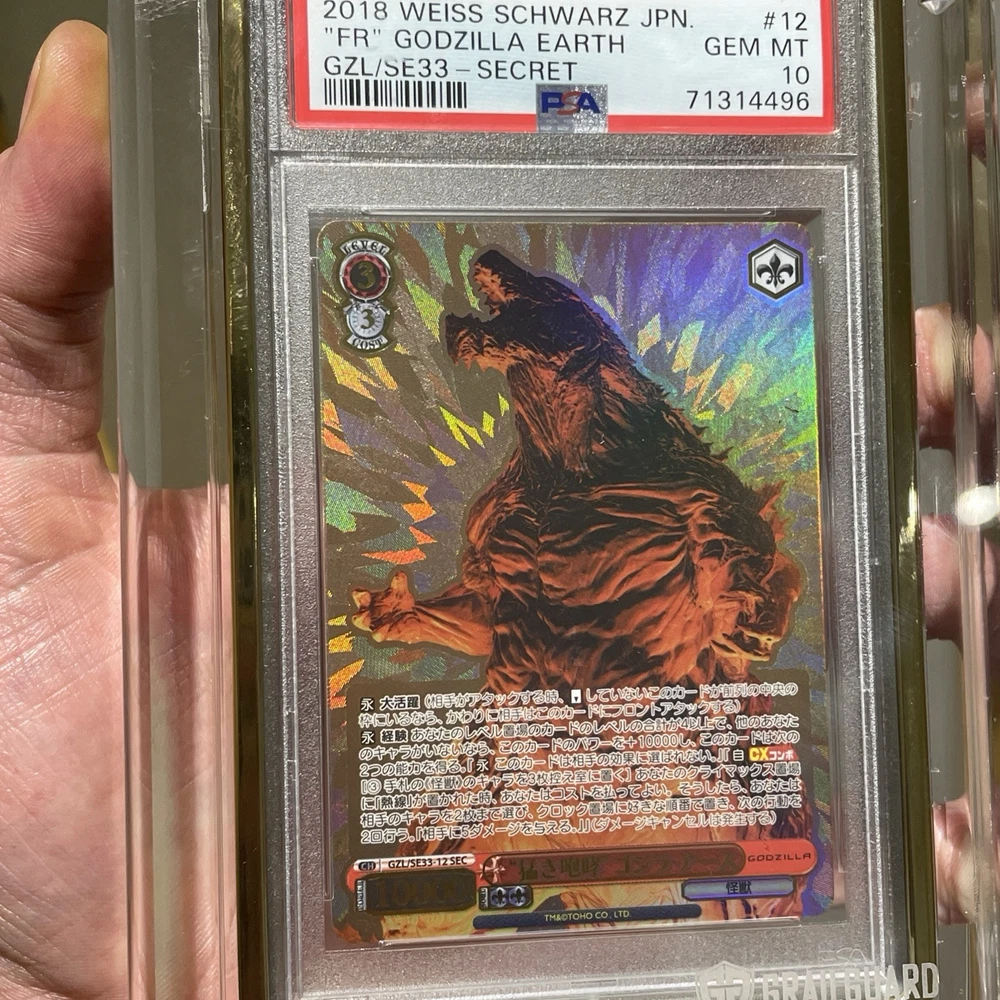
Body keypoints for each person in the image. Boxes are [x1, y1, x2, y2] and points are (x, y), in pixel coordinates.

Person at [0, 20, 991, 1000]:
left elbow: (747, 613)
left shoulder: (687, 504)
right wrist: (417, 619)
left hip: (673, 790)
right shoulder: (509, 515)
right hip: (528, 790)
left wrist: (741, 609)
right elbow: (505, 618)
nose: (495, 329)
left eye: (529, 330)